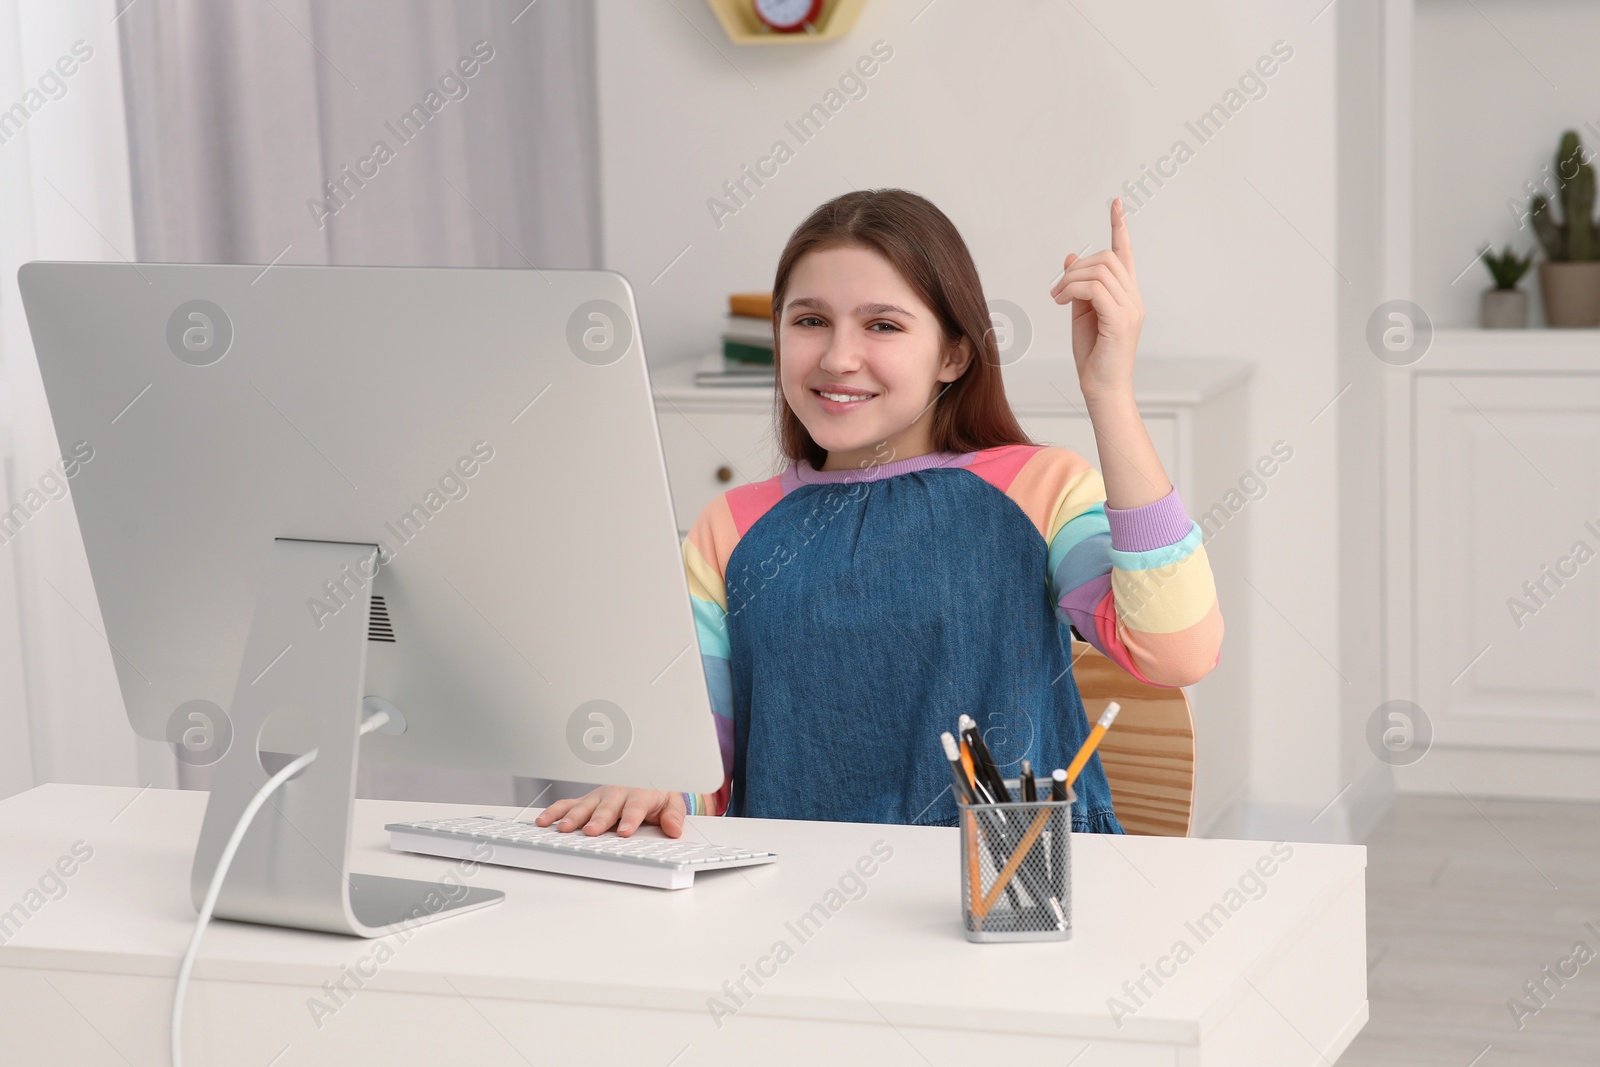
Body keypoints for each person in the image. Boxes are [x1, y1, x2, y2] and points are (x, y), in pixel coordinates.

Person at [537, 188, 1222, 839]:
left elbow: (1179, 650)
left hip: (1008, 907)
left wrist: (1110, 394)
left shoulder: (1039, 490)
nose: (837, 357)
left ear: (954, 353)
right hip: (796, 910)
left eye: (883, 325)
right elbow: (702, 774)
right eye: (809, 321)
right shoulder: (729, 529)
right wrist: (657, 788)